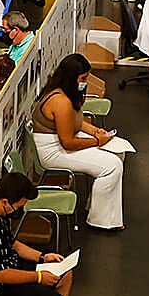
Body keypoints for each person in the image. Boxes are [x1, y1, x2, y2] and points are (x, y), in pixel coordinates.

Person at [33, 54, 128, 230]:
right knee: (113, 166)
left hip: (60, 143)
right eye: (83, 78)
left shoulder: (65, 93)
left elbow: (74, 121)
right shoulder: (60, 101)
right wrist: (96, 141)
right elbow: (68, 142)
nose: (86, 82)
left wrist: (94, 131)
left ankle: (98, 206)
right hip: (53, 152)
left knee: (117, 153)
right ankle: (101, 220)